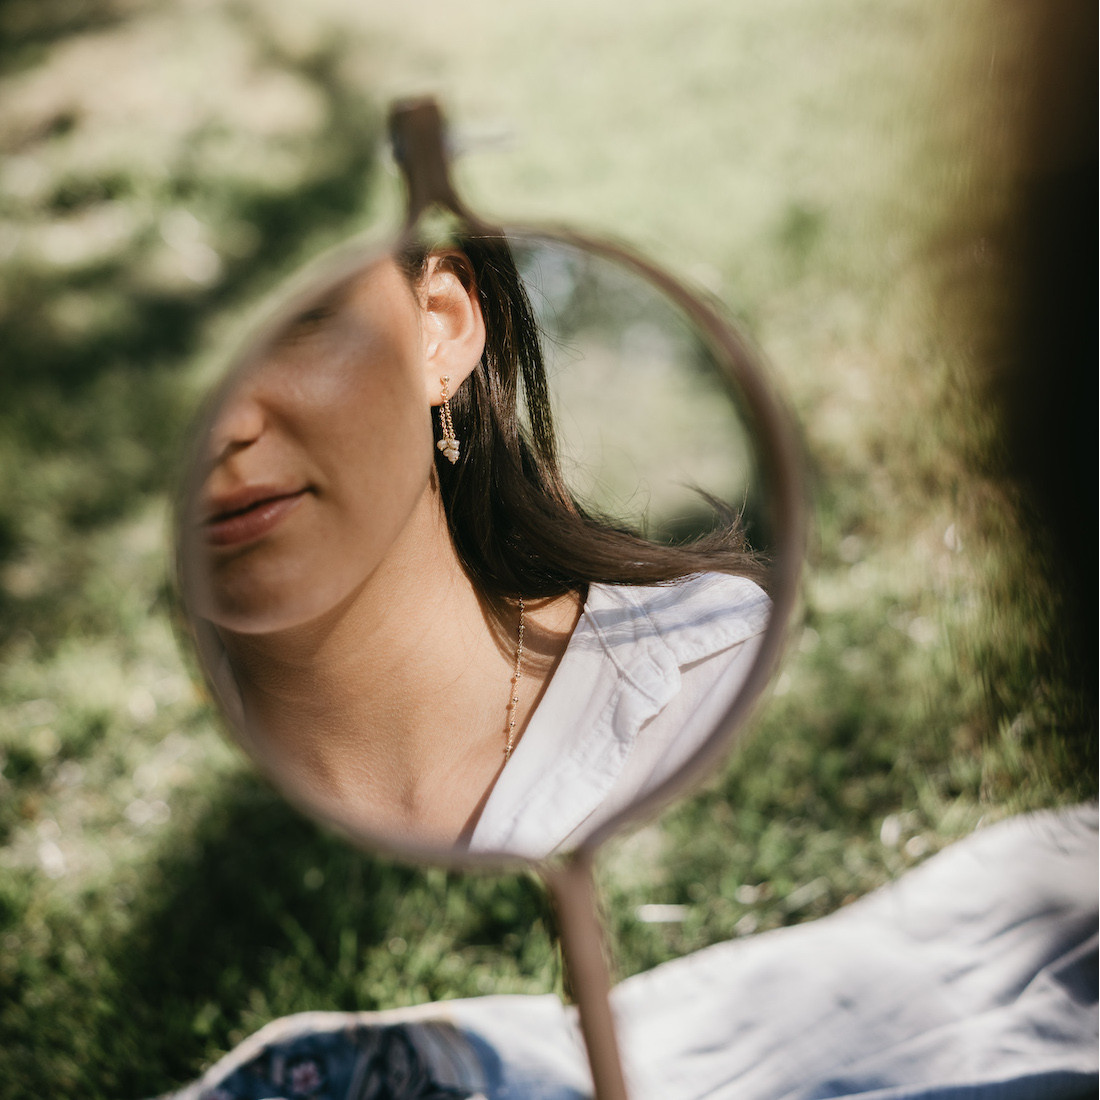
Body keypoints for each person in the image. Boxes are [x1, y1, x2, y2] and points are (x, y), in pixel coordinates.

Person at [177, 233, 770, 857]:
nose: (218, 430)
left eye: (290, 324)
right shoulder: (115, 817)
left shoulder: (718, 682)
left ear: (438, 323)